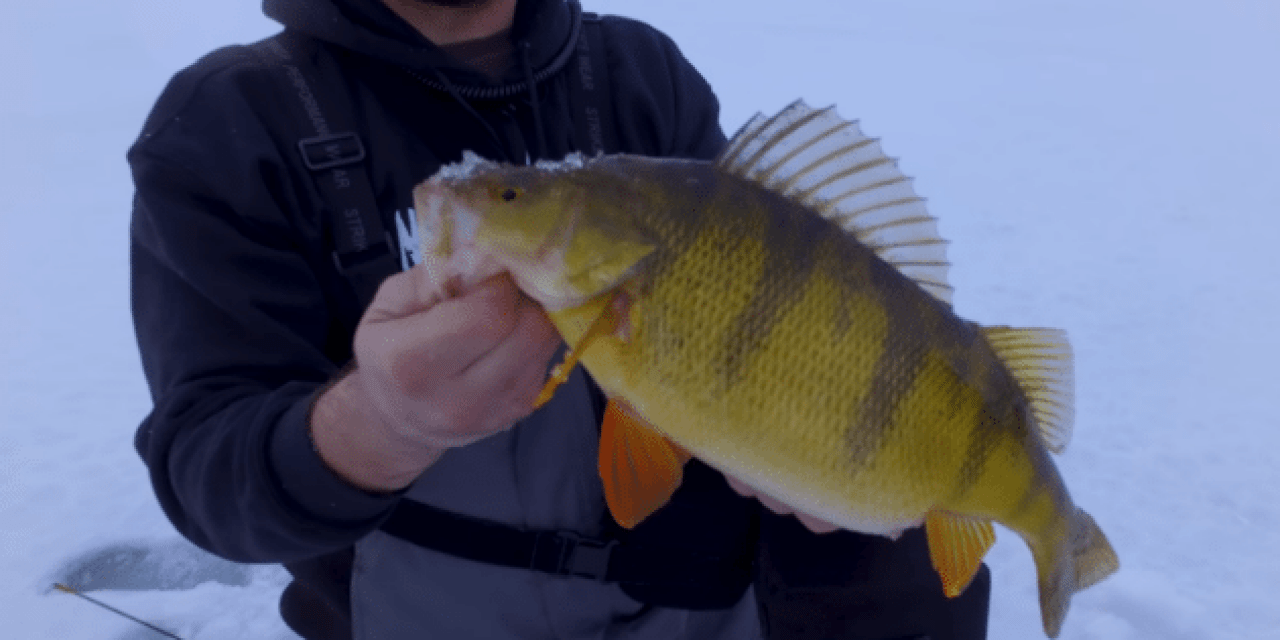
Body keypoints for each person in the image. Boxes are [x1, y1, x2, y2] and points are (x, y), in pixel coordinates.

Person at [128, 0, 992, 638]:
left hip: (698, 610)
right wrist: (382, 422)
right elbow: (209, 474)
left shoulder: (640, 73)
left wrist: (800, 444)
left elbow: (763, 315)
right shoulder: (229, 124)